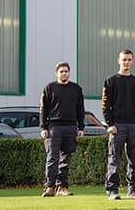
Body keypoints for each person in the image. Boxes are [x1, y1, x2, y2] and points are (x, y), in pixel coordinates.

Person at [102, 49, 135, 200]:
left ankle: (133, 190)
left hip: (133, 126)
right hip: (117, 126)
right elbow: (105, 104)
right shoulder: (111, 81)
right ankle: (112, 191)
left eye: (129, 59)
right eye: (124, 60)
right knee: (114, 159)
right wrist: (110, 124)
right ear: (119, 61)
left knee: (134, 159)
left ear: (132, 61)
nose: (126, 62)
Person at [39, 62, 85, 197]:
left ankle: (62, 188)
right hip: (54, 127)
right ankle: (49, 187)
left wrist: (81, 127)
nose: (64, 73)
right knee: (52, 158)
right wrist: (43, 127)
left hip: (71, 127)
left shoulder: (76, 89)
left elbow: (80, 109)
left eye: (66, 71)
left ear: (69, 72)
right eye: (61, 71)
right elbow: (43, 109)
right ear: (57, 73)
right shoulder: (49, 88)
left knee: (65, 159)